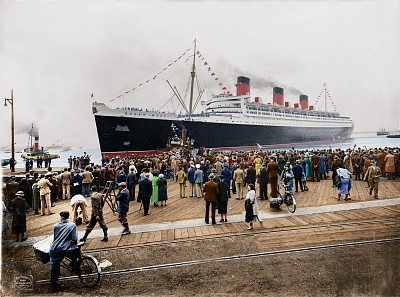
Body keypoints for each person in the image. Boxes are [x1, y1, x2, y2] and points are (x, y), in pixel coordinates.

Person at [49, 211, 79, 292]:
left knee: (54, 266)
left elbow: (55, 238)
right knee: (76, 251)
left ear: (62, 217)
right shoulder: (72, 225)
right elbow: (74, 239)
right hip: (66, 249)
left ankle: (54, 283)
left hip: (55, 249)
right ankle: (74, 265)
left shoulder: (56, 226)